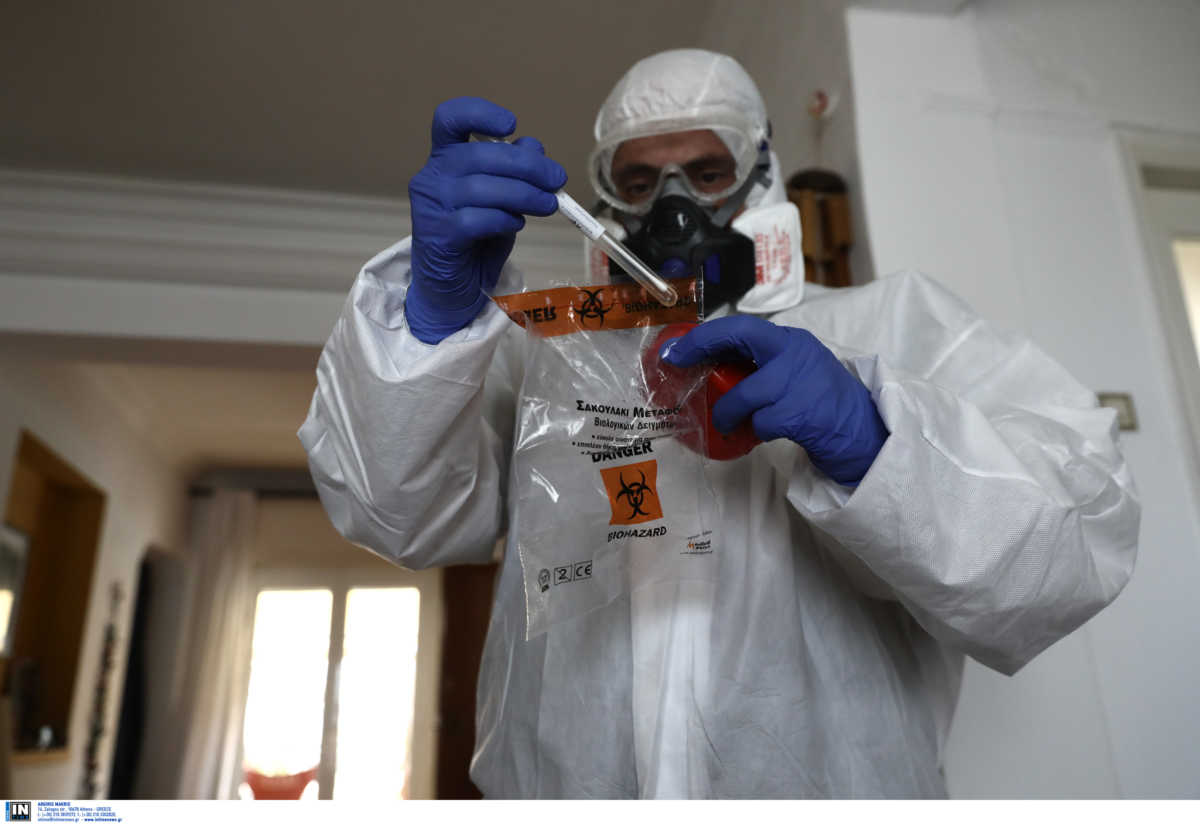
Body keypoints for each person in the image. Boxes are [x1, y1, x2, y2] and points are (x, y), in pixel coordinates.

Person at [299, 49, 1139, 798]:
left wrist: (878, 438)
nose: (673, 205)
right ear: (606, 199)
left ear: (760, 175)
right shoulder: (546, 360)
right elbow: (396, 517)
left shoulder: (898, 328)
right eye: (639, 182)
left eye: (706, 171)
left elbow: (1075, 548)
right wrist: (429, 330)